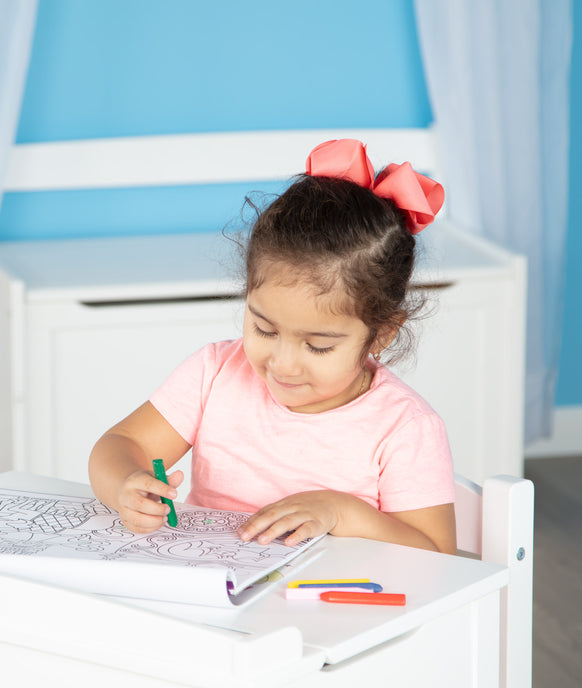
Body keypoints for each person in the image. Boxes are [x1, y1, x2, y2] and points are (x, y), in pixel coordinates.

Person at [88, 138, 457, 554]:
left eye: (318, 347)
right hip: (212, 595)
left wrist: (342, 512)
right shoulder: (214, 374)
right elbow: (119, 445)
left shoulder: (404, 427)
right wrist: (125, 486)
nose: (282, 364)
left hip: (337, 610)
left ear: (382, 333)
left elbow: (438, 556)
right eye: (264, 329)